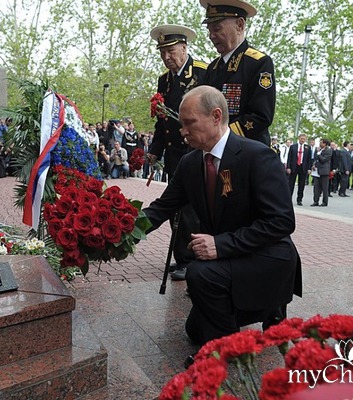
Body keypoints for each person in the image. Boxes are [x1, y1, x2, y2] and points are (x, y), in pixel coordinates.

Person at [143, 86, 301, 364]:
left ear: (216, 116)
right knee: (194, 330)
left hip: (266, 255)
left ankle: (228, 349)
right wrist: (116, 231)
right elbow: (161, 209)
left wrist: (221, 244)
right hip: (229, 257)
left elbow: (282, 222)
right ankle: (257, 312)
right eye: (181, 125)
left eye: (189, 123)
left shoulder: (257, 155)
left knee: (199, 274)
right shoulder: (190, 163)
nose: (183, 132)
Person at [148, 24, 208, 281]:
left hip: (194, 151)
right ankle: (182, 255)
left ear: (184, 47)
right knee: (176, 205)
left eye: (171, 51)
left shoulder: (204, 73)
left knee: (192, 206)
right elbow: (162, 121)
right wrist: (154, 151)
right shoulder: (165, 80)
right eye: (162, 52)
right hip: (174, 154)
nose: (166, 57)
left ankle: (190, 258)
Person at [200, 0, 275, 146]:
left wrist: (220, 136)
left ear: (240, 25)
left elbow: (261, 117)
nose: (211, 36)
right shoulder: (212, 68)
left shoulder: (259, 63)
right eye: (209, 30)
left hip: (247, 152)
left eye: (217, 29)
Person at [285, 133, 311, 206]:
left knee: (301, 184)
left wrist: (309, 168)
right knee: (291, 184)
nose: (302, 140)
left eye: (304, 139)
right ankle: (288, 199)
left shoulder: (307, 147)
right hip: (294, 166)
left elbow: (309, 159)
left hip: (303, 167)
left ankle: (299, 199)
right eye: (301, 138)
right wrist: (288, 167)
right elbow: (289, 158)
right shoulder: (293, 147)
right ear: (299, 138)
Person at [310, 138, 332, 207]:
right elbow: (315, 159)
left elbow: (324, 160)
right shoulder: (318, 150)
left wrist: (319, 154)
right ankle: (315, 201)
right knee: (316, 187)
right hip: (317, 171)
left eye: (321, 143)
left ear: (325, 144)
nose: (320, 144)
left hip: (324, 171)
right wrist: (313, 164)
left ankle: (325, 202)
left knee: (324, 187)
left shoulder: (328, 150)